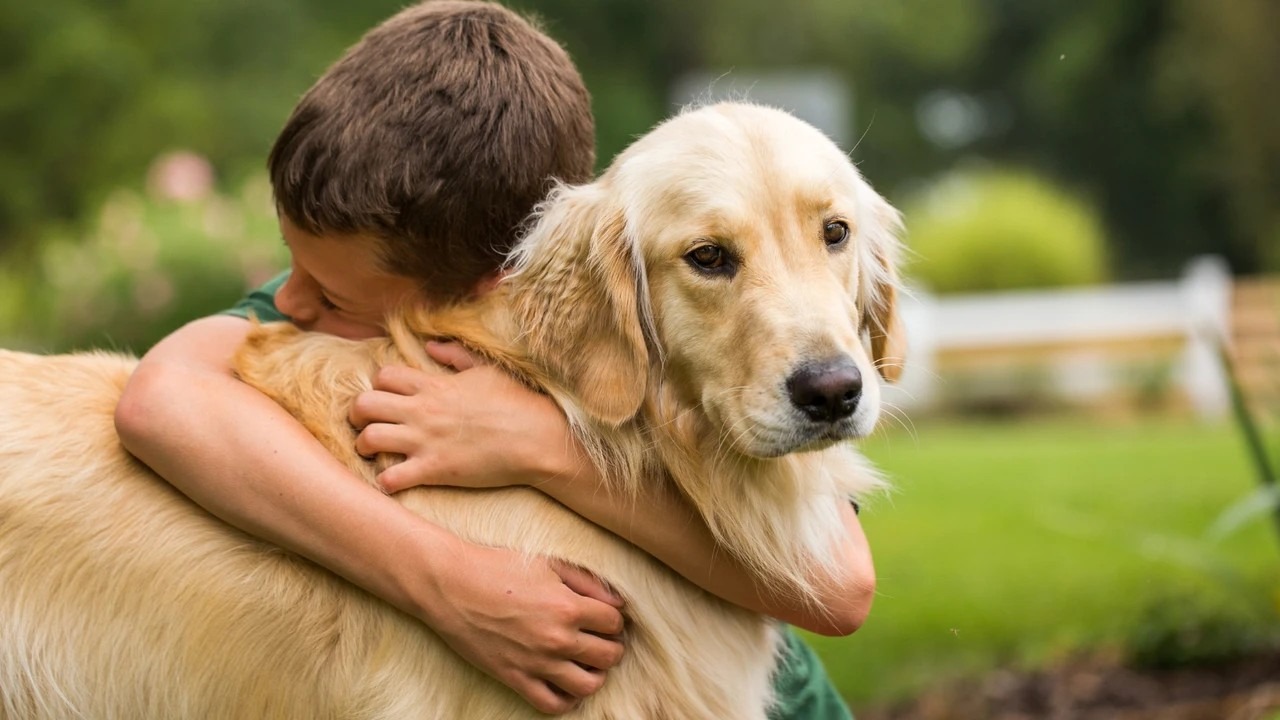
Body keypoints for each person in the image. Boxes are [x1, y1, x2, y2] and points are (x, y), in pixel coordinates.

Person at [113, 2, 872, 717]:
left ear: (488, 287)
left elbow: (840, 589)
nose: (289, 304)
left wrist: (542, 449)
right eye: (292, 265)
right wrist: (446, 579)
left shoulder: (597, 281)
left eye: (335, 297)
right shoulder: (360, 277)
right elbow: (159, 401)